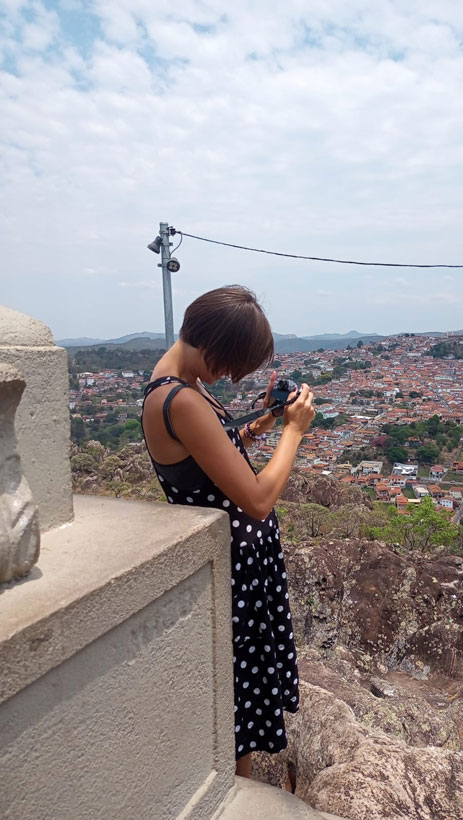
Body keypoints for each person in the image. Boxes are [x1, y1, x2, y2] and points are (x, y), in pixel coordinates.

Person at [140, 285, 315, 781]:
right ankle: (239, 793)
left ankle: (240, 785)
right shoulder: (181, 397)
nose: (232, 376)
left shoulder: (176, 378)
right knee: (241, 692)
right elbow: (258, 500)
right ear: (212, 347)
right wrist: (293, 432)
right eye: (232, 365)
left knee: (242, 686)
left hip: (239, 564)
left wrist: (259, 424)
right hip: (234, 569)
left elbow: (210, 452)